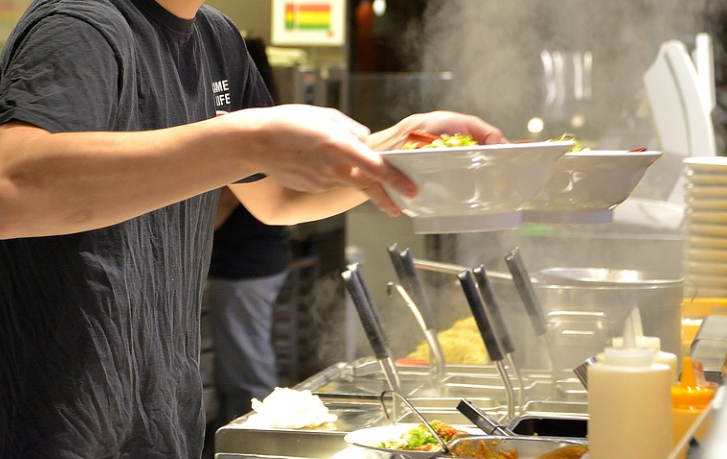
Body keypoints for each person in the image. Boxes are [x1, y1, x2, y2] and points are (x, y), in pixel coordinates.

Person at [0, 0, 507, 458]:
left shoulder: (216, 38)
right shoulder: (82, 23)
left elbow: (277, 197)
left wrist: (399, 149)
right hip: (57, 419)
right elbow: (12, 189)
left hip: (160, 415)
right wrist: (245, 140)